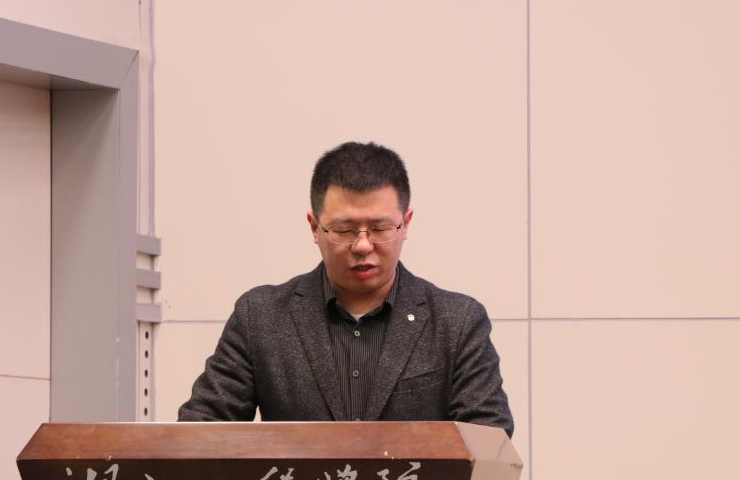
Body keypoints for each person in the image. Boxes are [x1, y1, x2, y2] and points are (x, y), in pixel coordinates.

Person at [179, 141, 513, 437]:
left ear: (406, 223)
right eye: (344, 230)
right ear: (314, 227)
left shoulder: (457, 321)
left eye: (380, 228)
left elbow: (488, 437)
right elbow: (200, 429)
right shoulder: (261, 317)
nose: (363, 245)